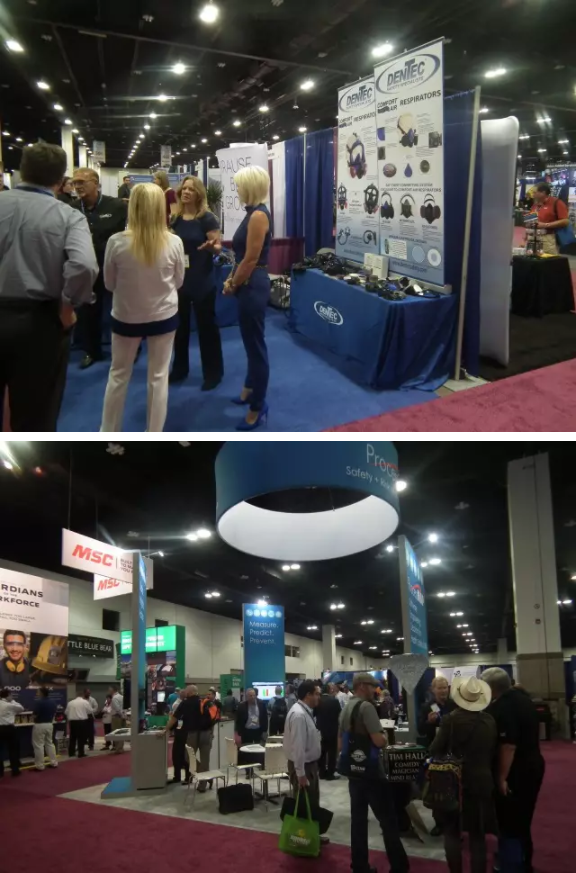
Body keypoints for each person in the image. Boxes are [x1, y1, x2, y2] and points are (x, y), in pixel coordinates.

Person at [0, 144, 97, 430]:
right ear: (60, 179)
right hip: (39, 323)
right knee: (35, 415)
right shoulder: (68, 216)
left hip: (33, 317)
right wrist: (68, 303)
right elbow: (84, 266)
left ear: (21, 171)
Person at [100, 182, 185, 432]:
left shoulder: (116, 242)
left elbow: (109, 283)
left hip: (126, 317)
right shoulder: (174, 242)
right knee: (159, 378)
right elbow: (179, 281)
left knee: (118, 375)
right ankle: (154, 433)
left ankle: (108, 432)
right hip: (164, 316)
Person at [339, 673, 409, 873]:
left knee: (358, 821)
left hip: (354, 773)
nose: (375, 690)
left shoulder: (345, 708)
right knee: (388, 821)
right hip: (372, 774)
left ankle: (359, 865)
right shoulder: (366, 707)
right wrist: (385, 737)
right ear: (361, 686)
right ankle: (399, 866)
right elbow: (378, 741)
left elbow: (339, 744)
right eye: (372, 686)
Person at [430, 676, 497, 873]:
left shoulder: (450, 720)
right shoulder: (489, 721)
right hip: (482, 781)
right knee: (477, 834)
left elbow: (434, 749)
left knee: (452, 833)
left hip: (453, 782)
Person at [482, 667, 545, 873]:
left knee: (510, 821)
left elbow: (508, 746)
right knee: (523, 819)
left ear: (491, 687)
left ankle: (511, 865)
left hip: (516, 771)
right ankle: (523, 861)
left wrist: (501, 777)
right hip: (533, 764)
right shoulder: (523, 699)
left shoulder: (504, 706)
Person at [224, 165, 272, 430]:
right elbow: (241, 256)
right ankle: (249, 388)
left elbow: (251, 259)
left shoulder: (258, 216)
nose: (238, 189)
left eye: (240, 185)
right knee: (250, 342)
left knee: (255, 346)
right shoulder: (252, 214)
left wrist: (233, 283)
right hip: (248, 282)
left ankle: (258, 405)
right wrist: (231, 278)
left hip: (253, 284)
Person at [169, 176, 224, 390]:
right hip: (180, 281)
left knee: (207, 329)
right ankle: (180, 369)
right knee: (179, 329)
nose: (186, 192)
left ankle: (213, 373)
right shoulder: (175, 218)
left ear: (198, 194)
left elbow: (218, 248)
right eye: (184, 188)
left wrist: (212, 248)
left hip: (202, 281)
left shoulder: (207, 218)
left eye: (191, 189)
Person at [72, 167, 127, 369]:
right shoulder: (71, 209)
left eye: (81, 182)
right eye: (75, 183)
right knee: (88, 313)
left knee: (122, 309)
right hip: (87, 270)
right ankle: (91, 351)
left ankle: (128, 349)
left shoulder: (117, 206)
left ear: (95, 183)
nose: (77, 186)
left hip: (114, 268)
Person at [160, 685, 212, 789]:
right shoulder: (204, 702)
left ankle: (204, 778)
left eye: (187, 691)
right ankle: (204, 780)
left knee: (188, 757)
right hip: (206, 734)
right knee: (205, 759)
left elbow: (174, 718)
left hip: (193, 733)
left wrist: (165, 730)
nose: (185, 693)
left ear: (190, 692)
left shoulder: (185, 703)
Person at [283, 680, 323, 809]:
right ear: (308, 695)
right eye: (316, 694)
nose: (319, 697)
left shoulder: (304, 712)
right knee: (306, 806)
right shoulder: (299, 715)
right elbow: (298, 746)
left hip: (309, 766)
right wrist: (300, 774)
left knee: (311, 803)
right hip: (304, 767)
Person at [533, 182, 570, 255]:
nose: (533, 194)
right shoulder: (535, 205)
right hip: (533, 238)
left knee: (548, 259)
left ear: (543, 193)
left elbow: (565, 221)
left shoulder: (557, 203)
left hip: (548, 239)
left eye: (535, 192)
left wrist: (545, 225)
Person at [316, 683, 342, 780]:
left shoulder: (318, 701)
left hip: (320, 730)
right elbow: (339, 714)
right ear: (330, 690)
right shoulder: (334, 701)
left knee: (321, 752)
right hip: (332, 730)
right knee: (332, 753)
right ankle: (330, 773)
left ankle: (322, 772)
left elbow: (314, 714)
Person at [234, 687, 268, 755]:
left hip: (258, 731)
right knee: (246, 751)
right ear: (247, 697)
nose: (253, 697)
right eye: (250, 696)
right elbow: (238, 720)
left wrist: (265, 730)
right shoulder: (242, 706)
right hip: (246, 732)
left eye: (254, 695)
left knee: (259, 750)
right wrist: (238, 732)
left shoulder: (261, 704)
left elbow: (265, 718)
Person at [31, 686, 58, 771]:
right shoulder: (53, 702)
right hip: (49, 724)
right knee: (49, 743)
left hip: (39, 725)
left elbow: (35, 714)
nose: (37, 693)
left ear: (41, 693)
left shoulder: (38, 702)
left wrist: (33, 718)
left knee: (38, 745)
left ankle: (40, 765)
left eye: (38, 691)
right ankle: (54, 762)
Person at [0, 687, 24, 777]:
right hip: (9, 729)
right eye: (11, 695)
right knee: (13, 750)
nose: (12, 697)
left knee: (0, 751)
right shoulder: (10, 705)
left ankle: (0, 772)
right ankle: (15, 770)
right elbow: (21, 708)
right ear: (8, 696)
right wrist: (12, 701)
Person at [65, 692, 92, 757]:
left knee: (72, 737)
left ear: (76, 696)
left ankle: (71, 753)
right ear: (82, 696)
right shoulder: (85, 702)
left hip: (72, 722)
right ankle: (81, 753)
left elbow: (66, 712)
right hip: (81, 721)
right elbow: (90, 711)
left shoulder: (70, 703)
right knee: (81, 738)